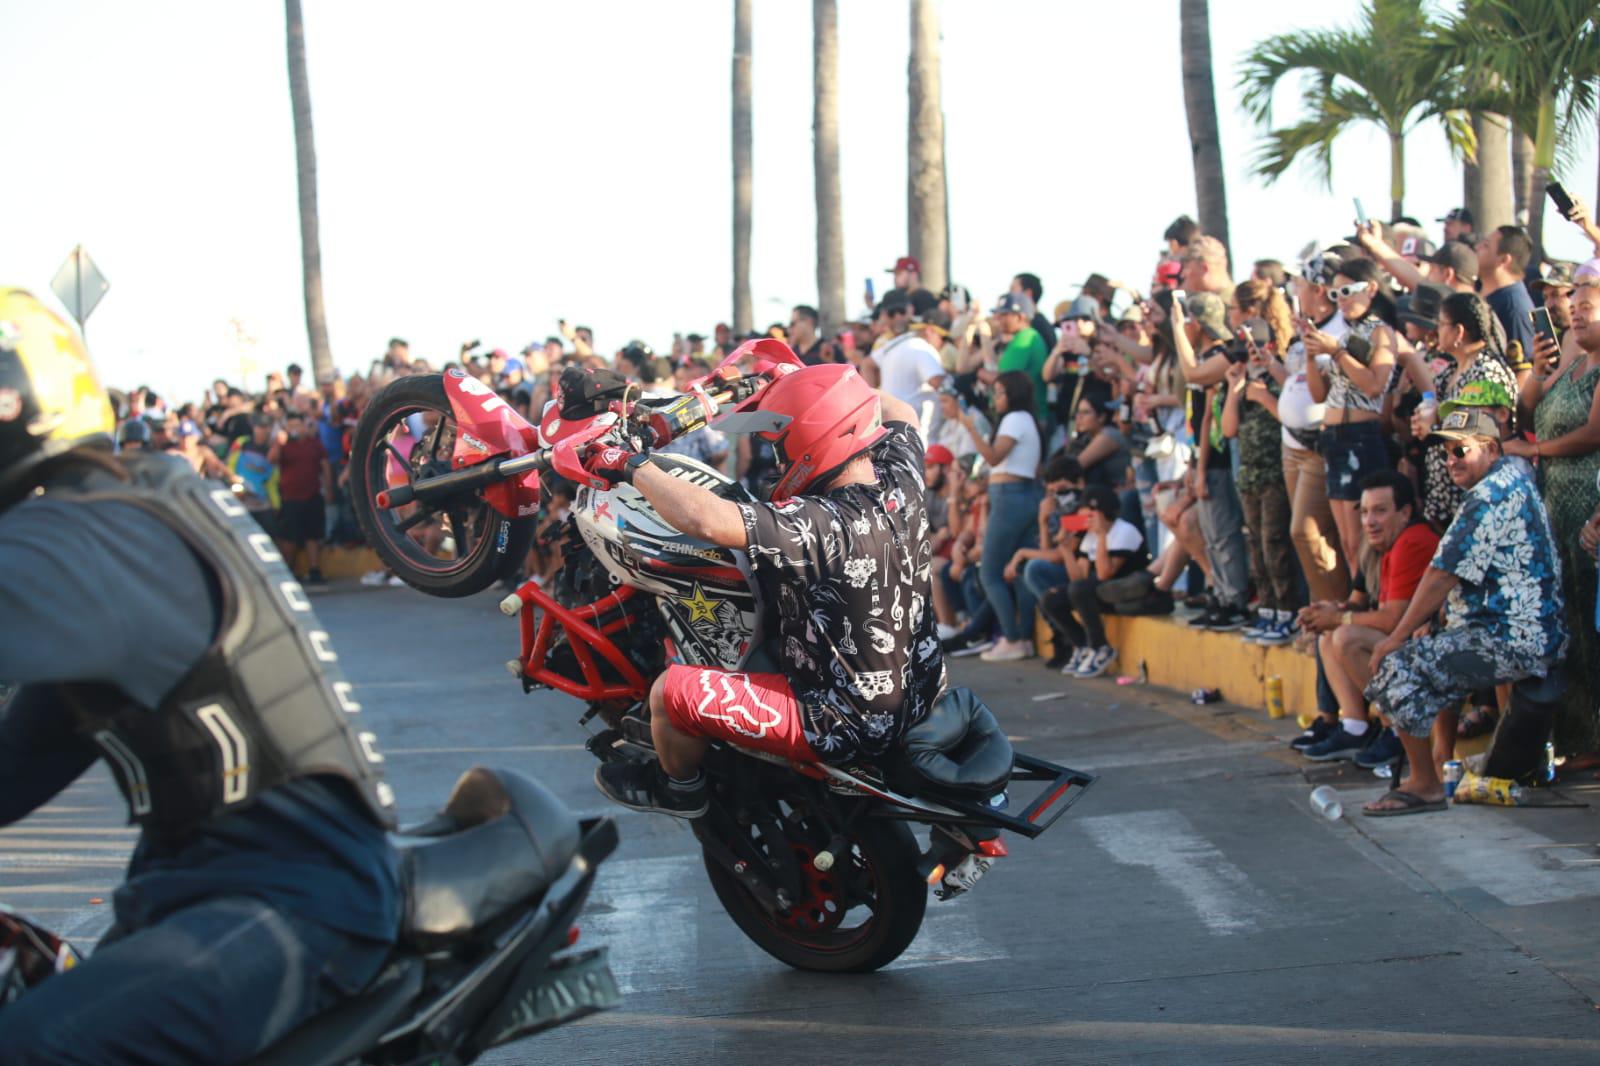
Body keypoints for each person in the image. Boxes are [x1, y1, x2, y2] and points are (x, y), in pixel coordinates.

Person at [0, 289, 399, 1061]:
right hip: (194, 893)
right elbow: (18, 764)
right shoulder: (122, 509)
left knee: (24, 1046)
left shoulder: (89, 534)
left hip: (294, 900)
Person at [582, 356, 944, 816]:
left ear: (812, 439)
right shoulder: (899, 478)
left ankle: (680, 789)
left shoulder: (823, 521)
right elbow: (903, 415)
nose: (777, 460)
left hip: (841, 719)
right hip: (919, 688)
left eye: (781, 446)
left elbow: (707, 520)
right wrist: (801, 376)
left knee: (669, 694)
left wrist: (632, 465)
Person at [1363, 408, 1567, 815]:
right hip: (1524, 632)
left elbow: (1442, 573)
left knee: (1397, 666)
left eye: (1461, 450)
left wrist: (1397, 635)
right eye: (1446, 452)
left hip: (1514, 640)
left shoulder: (1489, 495)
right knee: (1433, 645)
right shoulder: (1512, 474)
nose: (1451, 459)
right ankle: (1439, 759)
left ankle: (1425, 784)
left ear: (1490, 449)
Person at [1508, 279, 1600, 761]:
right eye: (1575, 306)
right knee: (1567, 620)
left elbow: (1593, 433)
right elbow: (1525, 410)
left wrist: (1535, 449)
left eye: (1588, 307)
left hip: (1589, 501)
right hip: (1554, 501)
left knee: (1592, 623)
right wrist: (1537, 372)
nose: (1576, 313)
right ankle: (1578, 738)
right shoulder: (1571, 359)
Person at [1294, 470, 1440, 763]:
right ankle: (1355, 726)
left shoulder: (1412, 541)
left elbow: (1393, 620)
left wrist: (1340, 620)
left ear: (1405, 512)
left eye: (1380, 511)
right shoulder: (1384, 544)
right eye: (1365, 513)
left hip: (1433, 646)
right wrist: (1325, 614)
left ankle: (1397, 732)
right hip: (1408, 644)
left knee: (1346, 637)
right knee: (1329, 636)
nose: (1369, 521)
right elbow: (1361, 606)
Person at [1304, 257, 1397, 586]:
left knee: (1365, 539)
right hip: (1333, 439)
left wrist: (1338, 352)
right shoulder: (1344, 334)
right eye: (1334, 293)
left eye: (1346, 290)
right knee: (1346, 541)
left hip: (1361, 438)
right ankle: (1360, 600)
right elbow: (1319, 395)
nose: (1340, 298)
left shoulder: (1381, 332)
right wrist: (1311, 353)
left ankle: (1373, 602)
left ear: (1370, 289)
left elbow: (1375, 384)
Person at [954, 370, 1043, 661]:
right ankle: (1023, 637)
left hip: (1010, 498)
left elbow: (993, 456)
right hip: (1020, 494)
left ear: (1014, 394)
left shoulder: (1016, 418)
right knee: (1017, 571)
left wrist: (970, 428)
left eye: (1001, 392)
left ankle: (1013, 637)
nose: (996, 398)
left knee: (989, 571)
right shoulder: (1024, 420)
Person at [1415, 291, 1520, 531]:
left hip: (1482, 498)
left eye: (1441, 324)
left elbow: (1486, 436)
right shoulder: (1449, 371)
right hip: (1448, 498)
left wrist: (1434, 426)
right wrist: (1421, 424)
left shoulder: (1487, 372)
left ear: (1459, 331)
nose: (1435, 331)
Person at [1045, 485, 1151, 679]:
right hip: (1099, 593)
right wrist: (1066, 550)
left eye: (1090, 512)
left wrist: (1102, 535)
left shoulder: (1124, 531)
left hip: (1125, 593)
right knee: (1052, 598)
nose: (1084, 516)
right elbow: (1078, 578)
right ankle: (1082, 644)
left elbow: (1104, 574)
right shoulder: (1090, 537)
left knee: (1080, 590)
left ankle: (1100, 647)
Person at [272, 410, 333, 586]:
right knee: (289, 537)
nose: (295, 429)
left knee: (313, 535)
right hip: (290, 498)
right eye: (291, 426)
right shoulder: (283, 445)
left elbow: (325, 465)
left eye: (297, 425)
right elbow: (272, 459)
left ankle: (314, 570)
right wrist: (278, 442)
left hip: (312, 495)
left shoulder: (314, 444)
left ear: (304, 425)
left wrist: (328, 488)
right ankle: (287, 571)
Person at [871, 293, 946, 433]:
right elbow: (939, 382)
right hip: (917, 440)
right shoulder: (917, 346)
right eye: (893, 313)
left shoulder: (896, 346)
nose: (898, 317)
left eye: (902, 312)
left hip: (898, 436)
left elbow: (867, 364)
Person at [1475, 224, 1538, 387]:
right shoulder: (1484, 295)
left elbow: (1523, 372)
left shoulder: (1515, 307)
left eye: (1486, 246)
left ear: (1504, 260)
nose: (1477, 247)